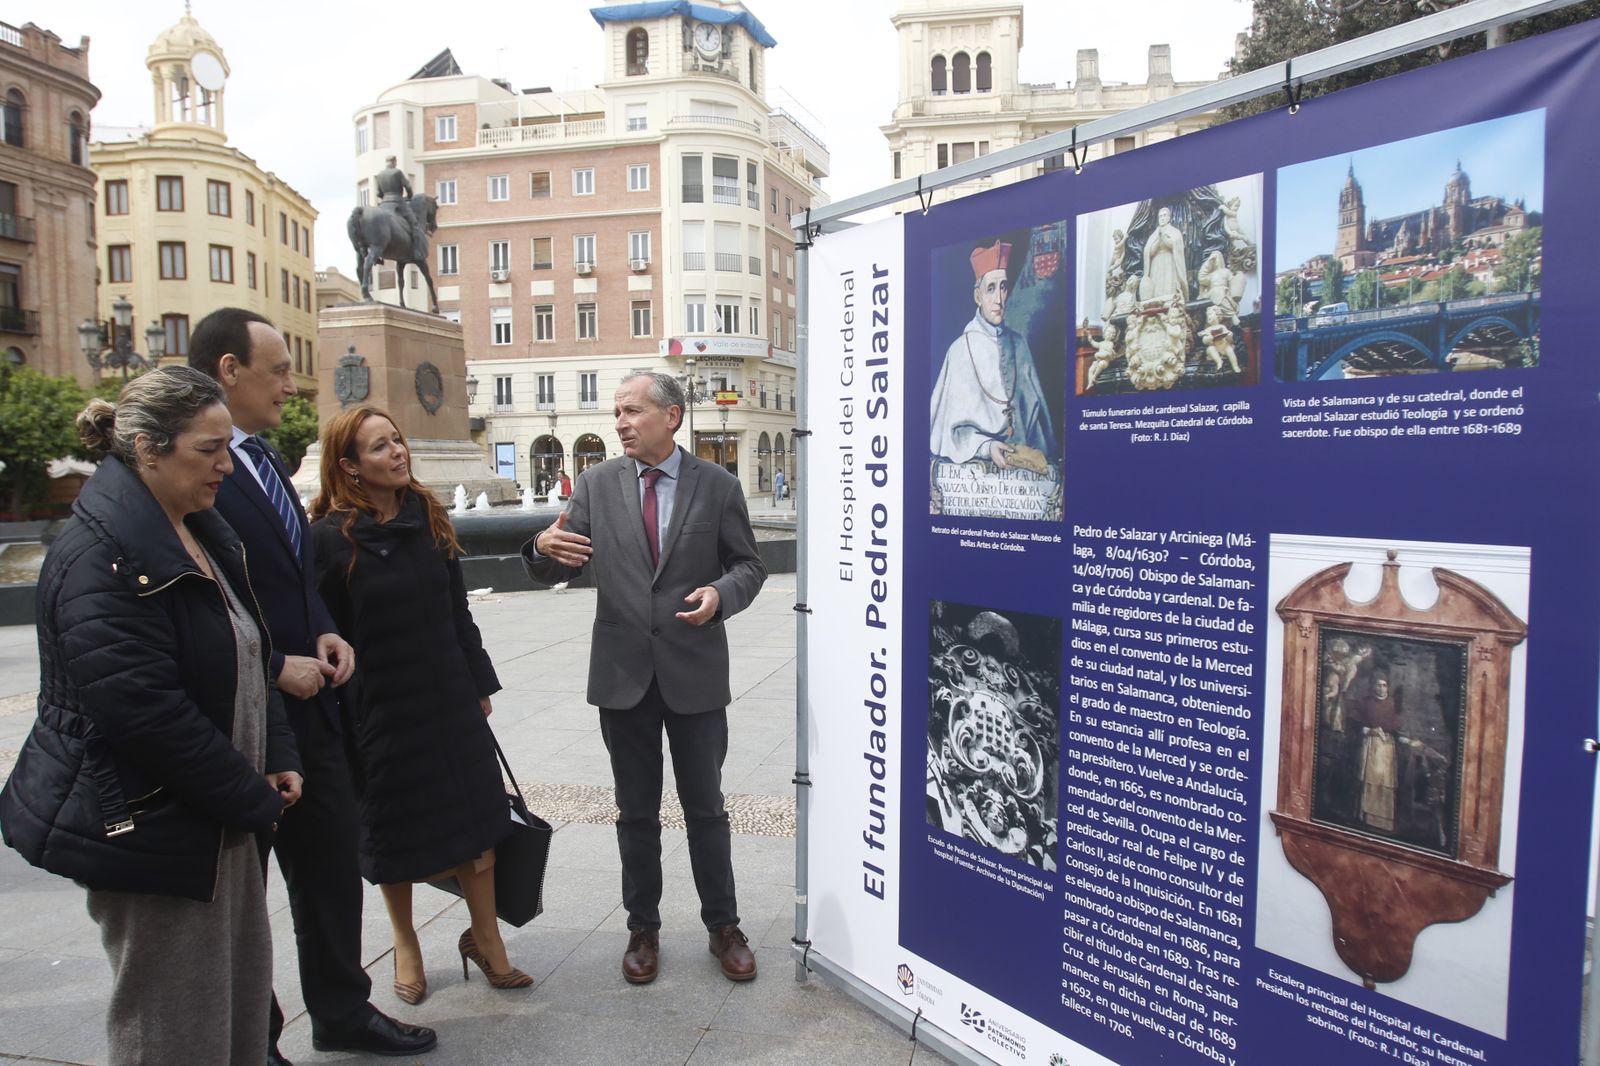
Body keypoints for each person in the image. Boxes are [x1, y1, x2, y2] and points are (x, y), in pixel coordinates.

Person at [0, 367, 303, 1064]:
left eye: (228, 446)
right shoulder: (100, 554)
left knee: (233, 1004)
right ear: (146, 448)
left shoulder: (196, 527)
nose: (227, 465)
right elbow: (140, 710)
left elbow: (249, 650)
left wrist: (277, 755)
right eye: (208, 450)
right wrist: (247, 793)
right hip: (154, 824)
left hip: (217, 816)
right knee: (174, 1024)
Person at [188, 308, 435, 1061]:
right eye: (279, 371)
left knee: (329, 871)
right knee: (242, 897)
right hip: (247, 717)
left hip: (313, 709)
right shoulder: (195, 469)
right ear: (229, 371)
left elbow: (288, 577)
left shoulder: (259, 459)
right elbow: (195, 606)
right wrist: (271, 665)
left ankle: (341, 1012)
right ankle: (255, 1037)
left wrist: (323, 625)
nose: (293, 387)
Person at [523, 371, 767, 985]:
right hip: (623, 675)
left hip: (695, 673)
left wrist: (720, 592)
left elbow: (749, 565)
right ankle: (643, 928)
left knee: (706, 808)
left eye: (632, 411)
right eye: (618, 413)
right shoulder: (596, 485)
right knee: (635, 812)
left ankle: (724, 926)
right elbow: (560, 557)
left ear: (672, 416)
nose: (621, 423)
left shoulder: (718, 486)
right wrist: (539, 549)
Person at [310, 405, 529, 999]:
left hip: (447, 699)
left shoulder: (429, 517)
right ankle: (405, 945)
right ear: (350, 467)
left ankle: (487, 940)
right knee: (393, 831)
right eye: (380, 447)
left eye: (397, 439)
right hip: (379, 710)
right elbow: (323, 633)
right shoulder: (329, 540)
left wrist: (479, 683)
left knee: (477, 821)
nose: (398, 452)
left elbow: (457, 612)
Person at [928, 241, 1055, 468]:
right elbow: (948, 433)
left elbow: (1038, 426)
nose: (999, 299)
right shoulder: (959, 351)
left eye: (1003, 287)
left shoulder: (1020, 345)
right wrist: (986, 446)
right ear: (978, 297)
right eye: (991, 289)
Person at [374, 154, 423, 260]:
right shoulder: (397, 172)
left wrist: (384, 197)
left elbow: (378, 193)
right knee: (414, 223)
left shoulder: (380, 175)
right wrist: (409, 196)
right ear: (394, 161)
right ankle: (416, 250)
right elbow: (408, 186)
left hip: (384, 204)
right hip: (398, 202)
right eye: (396, 161)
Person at [1140, 205, 1189, 305]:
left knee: (1168, 285)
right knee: (1156, 286)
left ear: (1169, 218)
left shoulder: (1175, 232)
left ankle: (1170, 300)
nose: (1162, 218)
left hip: (1169, 262)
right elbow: (1149, 252)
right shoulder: (1153, 235)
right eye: (1160, 216)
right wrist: (1158, 241)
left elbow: (1177, 247)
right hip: (1156, 264)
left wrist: (1165, 239)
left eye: (1164, 215)